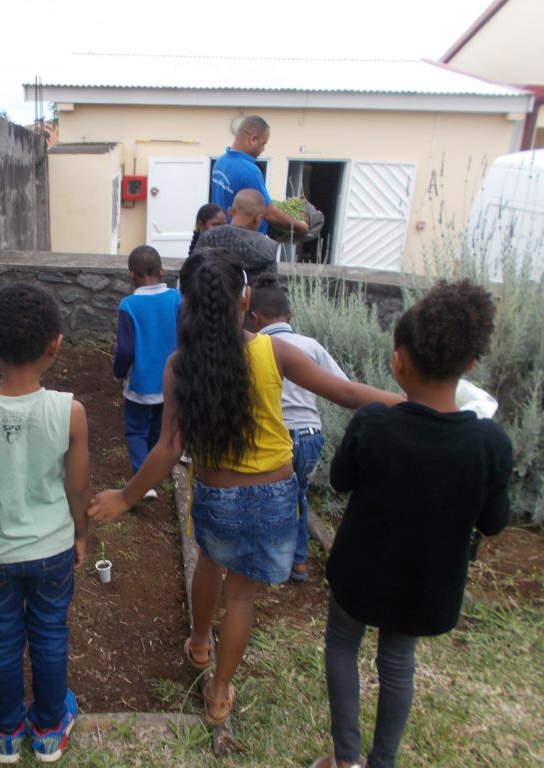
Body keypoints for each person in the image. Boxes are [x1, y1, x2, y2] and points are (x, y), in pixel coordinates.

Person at [88, 249, 402, 729]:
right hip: (274, 498)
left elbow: (169, 447)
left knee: (210, 563)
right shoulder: (271, 351)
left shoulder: (179, 366)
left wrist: (125, 496)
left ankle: (198, 645)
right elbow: (347, 393)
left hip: (216, 497)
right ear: (246, 298)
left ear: (185, 304)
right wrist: (408, 403)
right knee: (242, 598)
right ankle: (218, 694)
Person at [311, 280, 513, 768]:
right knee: (398, 662)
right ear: (469, 365)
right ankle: (382, 763)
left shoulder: (375, 422)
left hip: (361, 569)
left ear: (397, 361)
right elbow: (493, 521)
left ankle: (345, 759)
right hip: (426, 581)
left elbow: (340, 480)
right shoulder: (489, 443)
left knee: (342, 644)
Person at [0, 282, 90, 765]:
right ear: (55, 344)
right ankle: (50, 729)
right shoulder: (68, 411)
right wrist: (81, 534)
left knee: (1, 637)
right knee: (50, 633)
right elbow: (77, 489)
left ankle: (7, 732)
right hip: (51, 550)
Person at [245, 272, 348, 582]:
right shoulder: (310, 345)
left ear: (253, 317)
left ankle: (267, 563)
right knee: (298, 496)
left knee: (266, 498)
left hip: (274, 436)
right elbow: (342, 386)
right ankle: (299, 563)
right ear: (289, 315)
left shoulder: (257, 348)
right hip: (310, 436)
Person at [113, 246, 182, 499]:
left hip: (141, 382)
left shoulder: (129, 305)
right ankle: (156, 473)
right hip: (171, 382)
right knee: (158, 428)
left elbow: (125, 350)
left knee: (136, 429)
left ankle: (143, 480)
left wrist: (118, 373)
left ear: (131, 274)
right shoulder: (176, 299)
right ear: (162, 271)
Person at [210, 115, 308, 236]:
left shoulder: (220, 162)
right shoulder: (249, 171)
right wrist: (298, 225)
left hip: (222, 236)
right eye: (263, 143)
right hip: (246, 242)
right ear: (253, 139)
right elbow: (269, 213)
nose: (263, 149)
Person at [196, 189, 280, 277]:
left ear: (230, 211)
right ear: (258, 218)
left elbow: (192, 274)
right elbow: (272, 286)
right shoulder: (268, 248)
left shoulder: (210, 237)